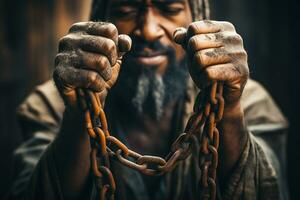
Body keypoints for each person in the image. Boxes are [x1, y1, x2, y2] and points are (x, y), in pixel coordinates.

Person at [8, 0, 289, 199]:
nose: (148, 30)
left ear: (200, 19)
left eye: (169, 8)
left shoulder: (248, 102)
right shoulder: (50, 104)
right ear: (98, 20)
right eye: (127, 8)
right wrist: (79, 112)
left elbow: (270, 191)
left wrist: (228, 108)